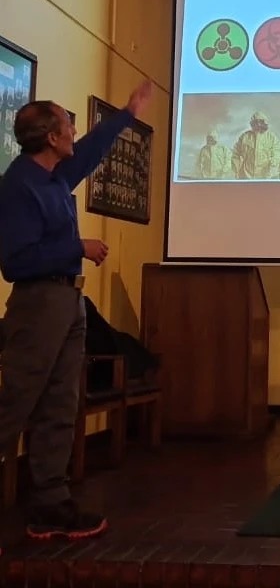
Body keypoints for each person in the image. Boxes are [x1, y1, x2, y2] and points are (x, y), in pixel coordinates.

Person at [0, 79, 152, 541]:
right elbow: (15, 262)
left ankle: (49, 503)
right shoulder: (19, 186)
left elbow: (90, 151)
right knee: (15, 405)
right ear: (51, 137)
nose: (74, 131)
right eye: (68, 125)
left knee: (60, 405)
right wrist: (77, 246)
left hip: (68, 302)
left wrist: (127, 114)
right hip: (38, 305)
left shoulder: (56, 176)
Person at [232, 111, 280, 179]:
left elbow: (277, 153)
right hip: (247, 175)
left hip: (266, 176)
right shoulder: (245, 136)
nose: (258, 124)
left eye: (261, 122)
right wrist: (236, 169)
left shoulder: (272, 137)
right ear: (252, 123)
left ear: (265, 123)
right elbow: (235, 153)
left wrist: (272, 168)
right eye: (256, 122)